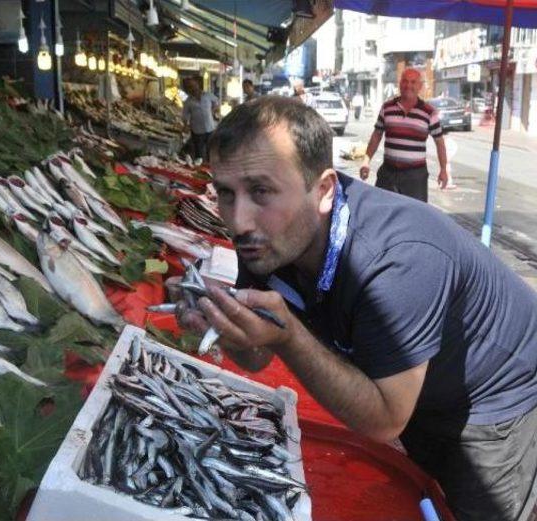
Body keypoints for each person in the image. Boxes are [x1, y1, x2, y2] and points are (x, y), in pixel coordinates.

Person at [170, 96, 537, 521]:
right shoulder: (269, 238)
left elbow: (384, 422)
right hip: (413, 385)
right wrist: (222, 323)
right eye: (226, 194)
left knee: (478, 508)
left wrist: (290, 336)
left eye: (261, 191)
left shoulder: (395, 259)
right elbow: (257, 353)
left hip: (494, 396)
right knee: (420, 492)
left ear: (324, 190)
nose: (239, 221)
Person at [360, 68, 448, 202]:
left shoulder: (429, 112)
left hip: (415, 177)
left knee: (413, 217)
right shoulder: (387, 108)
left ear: (420, 86)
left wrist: (443, 169)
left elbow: (439, 142)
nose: (408, 86)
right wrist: (366, 161)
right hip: (388, 174)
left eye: (413, 82)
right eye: (405, 81)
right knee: (382, 213)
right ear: (400, 84)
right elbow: (377, 135)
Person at [182, 76, 219, 161]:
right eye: (190, 87)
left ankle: (210, 169)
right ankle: (200, 169)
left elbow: (216, 102)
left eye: (194, 85)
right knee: (199, 154)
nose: (193, 88)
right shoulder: (188, 101)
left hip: (210, 128)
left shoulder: (208, 95)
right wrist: (186, 125)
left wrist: (213, 111)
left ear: (198, 85)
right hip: (197, 131)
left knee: (211, 152)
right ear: (188, 89)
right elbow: (185, 115)